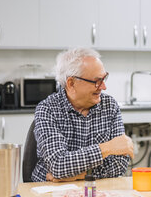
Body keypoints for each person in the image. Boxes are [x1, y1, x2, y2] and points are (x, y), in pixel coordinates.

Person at [31, 47, 133, 182]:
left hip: (96, 189)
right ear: (71, 83)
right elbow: (58, 164)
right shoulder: (47, 109)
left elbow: (119, 165)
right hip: (49, 190)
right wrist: (107, 148)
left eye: (104, 79)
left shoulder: (109, 106)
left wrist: (78, 176)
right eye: (97, 81)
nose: (103, 87)